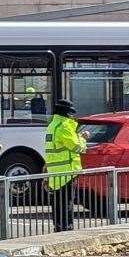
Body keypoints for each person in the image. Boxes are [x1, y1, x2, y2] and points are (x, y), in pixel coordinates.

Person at [46, 99, 87, 232]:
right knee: (66, 203)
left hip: (55, 172)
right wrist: (83, 138)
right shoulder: (64, 126)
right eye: (70, 113)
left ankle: (58, 227)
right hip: (67, 171)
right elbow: (77, 147)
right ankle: (66, 229)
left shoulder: (52, 125)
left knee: (57, 203)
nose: (72, 116)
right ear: (66, 113)